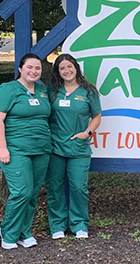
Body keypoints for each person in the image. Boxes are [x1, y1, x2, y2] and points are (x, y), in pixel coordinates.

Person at [0, 53, 51, 249]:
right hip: (16, 149)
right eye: (30, 67)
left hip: (41, 148)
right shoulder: (8, 89)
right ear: (20, 68)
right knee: (21, 192)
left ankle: (24, 232)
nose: (34, 71)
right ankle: (8, 232)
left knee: (33, 193)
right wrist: (2, 148)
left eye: (38, 68)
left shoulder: (42, 91)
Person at [46, 53, 102, 240]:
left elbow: (96, 117)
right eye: (62, 68)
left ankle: (79, 224)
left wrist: (87, 133)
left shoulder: (88, 92)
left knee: (78, 187)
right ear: (57, 72)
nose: (66, 71)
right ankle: (57, 225)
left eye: (69, 66)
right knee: (54, 187)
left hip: (78, 148)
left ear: (76, 68)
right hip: (55, 147)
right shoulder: (52, 91)